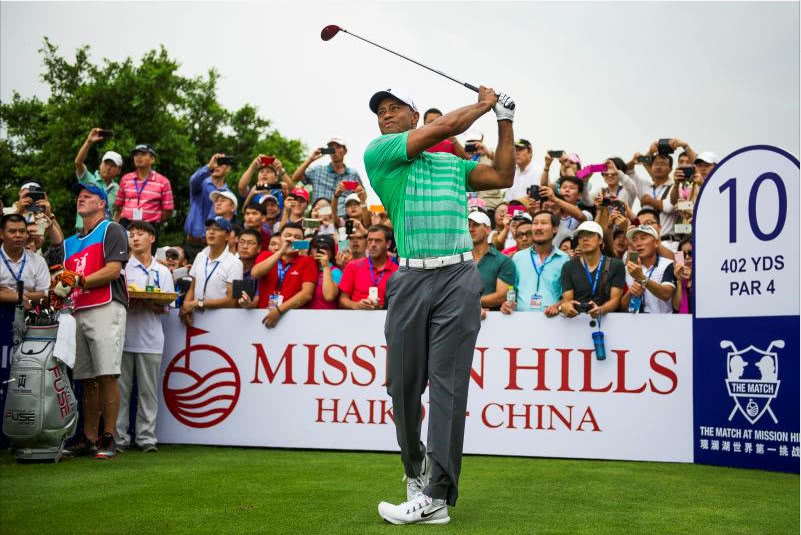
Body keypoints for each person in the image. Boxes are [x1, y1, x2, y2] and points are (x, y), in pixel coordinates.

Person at [365, 86, 515, 524]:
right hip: (410, 278)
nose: (386, 115)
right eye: (381, 111)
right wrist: (485, 103)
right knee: (402, 386)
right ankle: (415, 471)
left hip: (458, 277)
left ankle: (436, 496)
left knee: (449, 387)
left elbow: (503, 175)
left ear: (414, 115)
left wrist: (505, 120)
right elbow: (445, 127)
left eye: (395, 108)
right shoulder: (380, 153)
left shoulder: (452, 165)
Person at [62, 183, 129, 459]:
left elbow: (113, 270)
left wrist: (80, 281)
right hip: (79, 308)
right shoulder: (70, 242)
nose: (81, 199)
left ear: (102, 203)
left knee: (107, 374)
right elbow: (64, 275)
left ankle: (109, 436)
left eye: (88, 196)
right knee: (86, 378)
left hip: (106, 305)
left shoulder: (111, 229)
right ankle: (89, 437)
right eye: (79, 196)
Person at [117, 221, 173, 453]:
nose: (135, 238)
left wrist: (151, 303)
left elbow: (167, 306)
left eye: (140, 234)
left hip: (151, 339)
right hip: (123, 338)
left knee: (148, 392)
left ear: (152, 238)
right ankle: (119, 438)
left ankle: (146, 438)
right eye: (131, 235)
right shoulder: (122, 268)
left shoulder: (163, 271)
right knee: (120, 393)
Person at [502, 210, 569, 315]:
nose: (538, 227)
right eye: (535, 223)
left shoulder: (564, 259)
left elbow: (568, 296)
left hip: (552, 320)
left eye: (543, 223)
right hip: (521, 319)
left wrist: (558, 306)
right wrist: (508, 304)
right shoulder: (518, 257)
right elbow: (512, 289)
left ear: (555, 229)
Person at [179, 216, 243, 326]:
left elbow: (231, 301)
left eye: (217, 229)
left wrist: (198, 303)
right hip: (196, 319)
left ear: (227, 236)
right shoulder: (200, 256)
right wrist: (186, 307)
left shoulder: (235, 263)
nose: (211, 232)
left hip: (221, 321)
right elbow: (192, 288)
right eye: (208, 228)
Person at [251, 222, 316, 327]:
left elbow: (307, 294)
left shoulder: (308, 261)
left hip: (294, 319)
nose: (292, 239)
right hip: (263, 316)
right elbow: (255, 273)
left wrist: (279, 310)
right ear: (280, 239)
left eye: (297, 237)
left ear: (302, 242)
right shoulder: (266, 255)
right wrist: (281, 252)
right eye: (287, 236)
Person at [559, 221, 625, 319]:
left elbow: (616, 300)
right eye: (581, 236)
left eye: (590, 234)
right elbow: (567, 299)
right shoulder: (568, 266)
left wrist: (601, 309)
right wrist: (565, 307)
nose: (585, 239)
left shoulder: (616, 265)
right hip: (577, 320)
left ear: (600, 240)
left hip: (608, 321)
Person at [114, 144, 174, 246]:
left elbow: (168, 210)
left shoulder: (163, 181)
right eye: (136, 155)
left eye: (143, 154)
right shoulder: (126, 179)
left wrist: (154, 219)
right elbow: (119, 205)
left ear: (152, 159)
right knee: (124, 254)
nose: (138, 157)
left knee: (148, 255)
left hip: (150, 226)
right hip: (127, 224)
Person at [289, 137, 362, 214]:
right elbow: (295, 178)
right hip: (318, 215)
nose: (335, 151)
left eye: (338, 147)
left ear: (345, 151)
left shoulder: (352, 175)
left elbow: (362, 195)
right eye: (331, 148)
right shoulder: (317, 170)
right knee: (322, 203)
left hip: (342, 216)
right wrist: (310, 159)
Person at [184, 153, 233, 262]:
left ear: (228, 168)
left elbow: (229, 221)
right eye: (215, 162)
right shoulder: (200, 184)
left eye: (221, 163)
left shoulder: (229, 195)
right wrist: (208, 167)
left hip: (213, 245)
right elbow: (193, 180)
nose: (217, 166)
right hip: (192, 243)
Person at [338, 224, 398, 310]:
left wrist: (381, 308)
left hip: (385, 317)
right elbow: (342, 300)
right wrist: (357, 305)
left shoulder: (397, 271)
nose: (373, 244)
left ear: (388, 244)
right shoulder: (352, 266)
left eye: (378, 241)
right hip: (357, 317)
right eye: (370, 240)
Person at [74, 128, 122, 231]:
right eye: (106, 163)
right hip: (83, 230)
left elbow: (119, 210)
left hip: (104, 232)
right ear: (100, 164)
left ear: (118, 170)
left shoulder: (118, 189)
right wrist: (89, 142)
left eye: (113, 165)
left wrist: (114, 226)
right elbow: (78, 162)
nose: (108, 168)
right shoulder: (88, 179)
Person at [620, 225, 676, 313]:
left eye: (643, 238)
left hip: (663, 320)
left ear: (656, 243)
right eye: (634, 240)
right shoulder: (627, 268)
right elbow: (622, 308)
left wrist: (642, 278)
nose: (638, 244)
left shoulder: (667, 264)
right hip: (635, 320)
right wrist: (630, 293)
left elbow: (666, 294)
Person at [0, 214, 50, 310]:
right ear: (2, 234)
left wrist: (10, 295)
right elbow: (39, 294)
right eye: (12, 231)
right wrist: (25, 296)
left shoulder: (38, 261)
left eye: (22, 231)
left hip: (29, 313)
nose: (18, 235)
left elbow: (45, 295)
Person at [467, 211, 514, 312]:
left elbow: (502, 296)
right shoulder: (460, 259)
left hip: (493, 319)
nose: (471, 229)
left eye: (475, 225)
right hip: (461, 317)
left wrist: (468, 303)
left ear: (488, 230)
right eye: (468, 225)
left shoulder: (503, 261)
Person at [305, 233, 342, 310]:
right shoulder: (305, 268)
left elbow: (329, 296)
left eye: (325, 247)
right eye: (315, 247)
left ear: (332, 253)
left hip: (327, 315)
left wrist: (325, 266)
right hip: (303, 315)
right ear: (310, 251)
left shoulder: (336, 272)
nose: (319, 250)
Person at [504, 139, 542, 203]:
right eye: (515, 150)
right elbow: (507, 200)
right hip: (512, 208)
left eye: (520, 150)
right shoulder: (513, 173)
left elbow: (535, 202)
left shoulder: (538, 171)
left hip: (531, 208)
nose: (517, 153)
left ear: (530, 152)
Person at [673, 237, 693, 313]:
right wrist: (679, 280)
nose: (687, 257)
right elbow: (676, 307)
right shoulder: (677, 275)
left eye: (690, 253)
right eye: (684, 255)